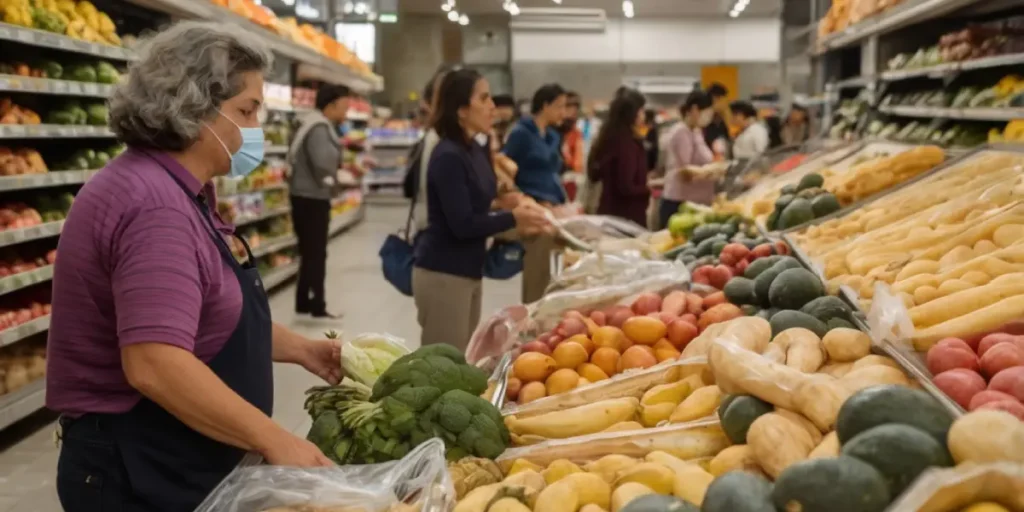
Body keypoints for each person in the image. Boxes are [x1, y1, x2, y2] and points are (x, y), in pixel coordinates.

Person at [47, 22, 341, 512]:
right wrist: (273, 439)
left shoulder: (179, 188)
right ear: (194, 109)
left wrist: (303, 350)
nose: (255, 128)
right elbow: (155, 363)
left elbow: (204, 314)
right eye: (246, 110)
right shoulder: (155, 206)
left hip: (168, 453)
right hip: (135, 465)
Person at [413, 68, 550, 348]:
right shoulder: (448, 155)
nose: (493, 106)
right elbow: (463, 224)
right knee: (442, 368)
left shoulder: (472, 148)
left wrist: (506, 199)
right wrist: (513, 217)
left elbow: (479, 193)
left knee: (461, 358)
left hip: (468, 269)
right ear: (462, 110)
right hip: (444, 274)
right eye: (484, 98)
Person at [288, 84, 352, 321]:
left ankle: (303, 301)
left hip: (305, 196)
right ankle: (317, 304)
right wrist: (340, 178)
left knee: (309, 252)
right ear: (331, 105)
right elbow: (323, 164)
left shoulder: (313, 123)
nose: (346, 112)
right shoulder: (320, 128)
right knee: (316, 252)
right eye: (344, 107)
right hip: (312, 198)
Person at [504, 83, 568, 304]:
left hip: (553, 206)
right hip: (531, 206)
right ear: (545, 105)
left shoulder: (552, 136)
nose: (564, 112)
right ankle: (531, 311)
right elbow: (505, 171)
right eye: (559, 106)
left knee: (554, 262)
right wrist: (524, 199)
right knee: (538, 259)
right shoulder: (521, 134)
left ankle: (547, 306)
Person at [588, 88, 650, 226]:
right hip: (625, 218)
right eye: (641, 110)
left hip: (611, 213)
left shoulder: (610, 137)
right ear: (632, 113)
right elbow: (626, 186)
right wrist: (648, 188)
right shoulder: (626, 144)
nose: (643, 115)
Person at [659, 91, 716, 229]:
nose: (709, 117)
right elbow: (685, 173)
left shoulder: (695, 131)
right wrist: (711, 172)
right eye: (707, 112)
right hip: (679, 203)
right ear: (695, 109)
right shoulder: (681, 133)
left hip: (695, 201)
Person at [703, 83, 732, 156]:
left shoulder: (723, 117)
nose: (725, 102)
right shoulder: (704, 115)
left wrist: (725, 115)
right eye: (722, 99)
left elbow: (730, 135)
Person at [560, 91, 584, 174]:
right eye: (569, 106)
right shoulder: (550, 133)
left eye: (576, 106)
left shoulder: (576, 133)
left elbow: (578, 164)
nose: (574, 110)